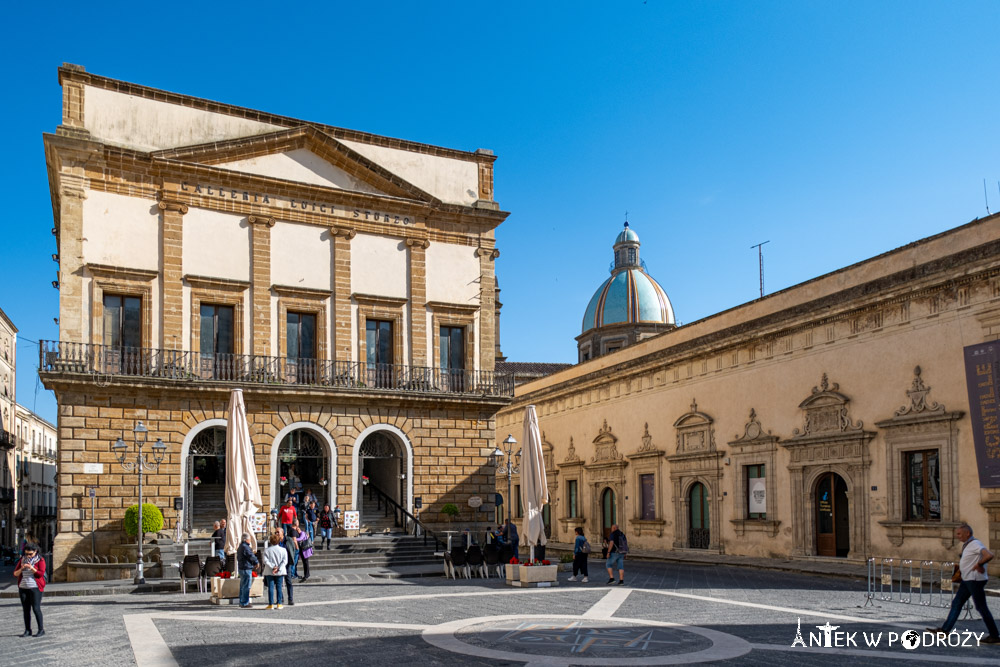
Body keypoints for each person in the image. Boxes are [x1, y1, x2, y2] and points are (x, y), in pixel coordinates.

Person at [928, 523, 1000, 643]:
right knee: (957, 603)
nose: (957, 536)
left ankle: (995, 636)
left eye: (959, 533)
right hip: (968, 580)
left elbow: (989, 555)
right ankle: (945, 630)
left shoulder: (975, 544)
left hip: (974, 580)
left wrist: (979, 564)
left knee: (981, 607)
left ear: (968, 533)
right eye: (957, 534)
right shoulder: (968, 545)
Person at [14, 542, 46, 637]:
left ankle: (41, 629)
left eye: (30, 554)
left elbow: (40, 574)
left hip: (35, 587)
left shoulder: (40, 560)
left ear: (35, 552)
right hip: (23, 587)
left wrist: (31, 567)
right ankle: (28, 630)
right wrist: (22, 568)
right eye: (26, 553)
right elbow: (15, 574)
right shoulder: (22, 560)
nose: (28, 555)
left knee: (36, 608)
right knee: (26, 609)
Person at [262, 532, 288, 610]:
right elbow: (285, 561)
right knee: (279, 587)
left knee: (271, 587)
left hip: (270, 571)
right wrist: (278, 567)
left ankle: (271, 604)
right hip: (280, 571)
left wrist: (273, 567)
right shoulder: (283, 550)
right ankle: (279, 603)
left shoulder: (267, 550)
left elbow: (265, 561)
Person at [236, 532, 258, 609]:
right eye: (249, 539)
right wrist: (256, 562)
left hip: (242, 567)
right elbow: (251, 556)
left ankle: (242, 601)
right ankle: (244, 602)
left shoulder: (240, 547)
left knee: (242, 585)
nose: (250, 540)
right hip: (246, 568)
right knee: (246, 586)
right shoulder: (245, 547)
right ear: (246, 539)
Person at [276, 528, 295, 606]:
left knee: (288, 581)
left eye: (278, 532)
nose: (276, 533)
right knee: (279, 582)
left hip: (287, 563)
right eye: (275, 532)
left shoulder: (288, 540)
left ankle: (290, 599)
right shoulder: (275, 541)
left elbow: (292, 549)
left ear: (282, 533)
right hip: (278, 564)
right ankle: (281, 598)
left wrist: (292, 559)